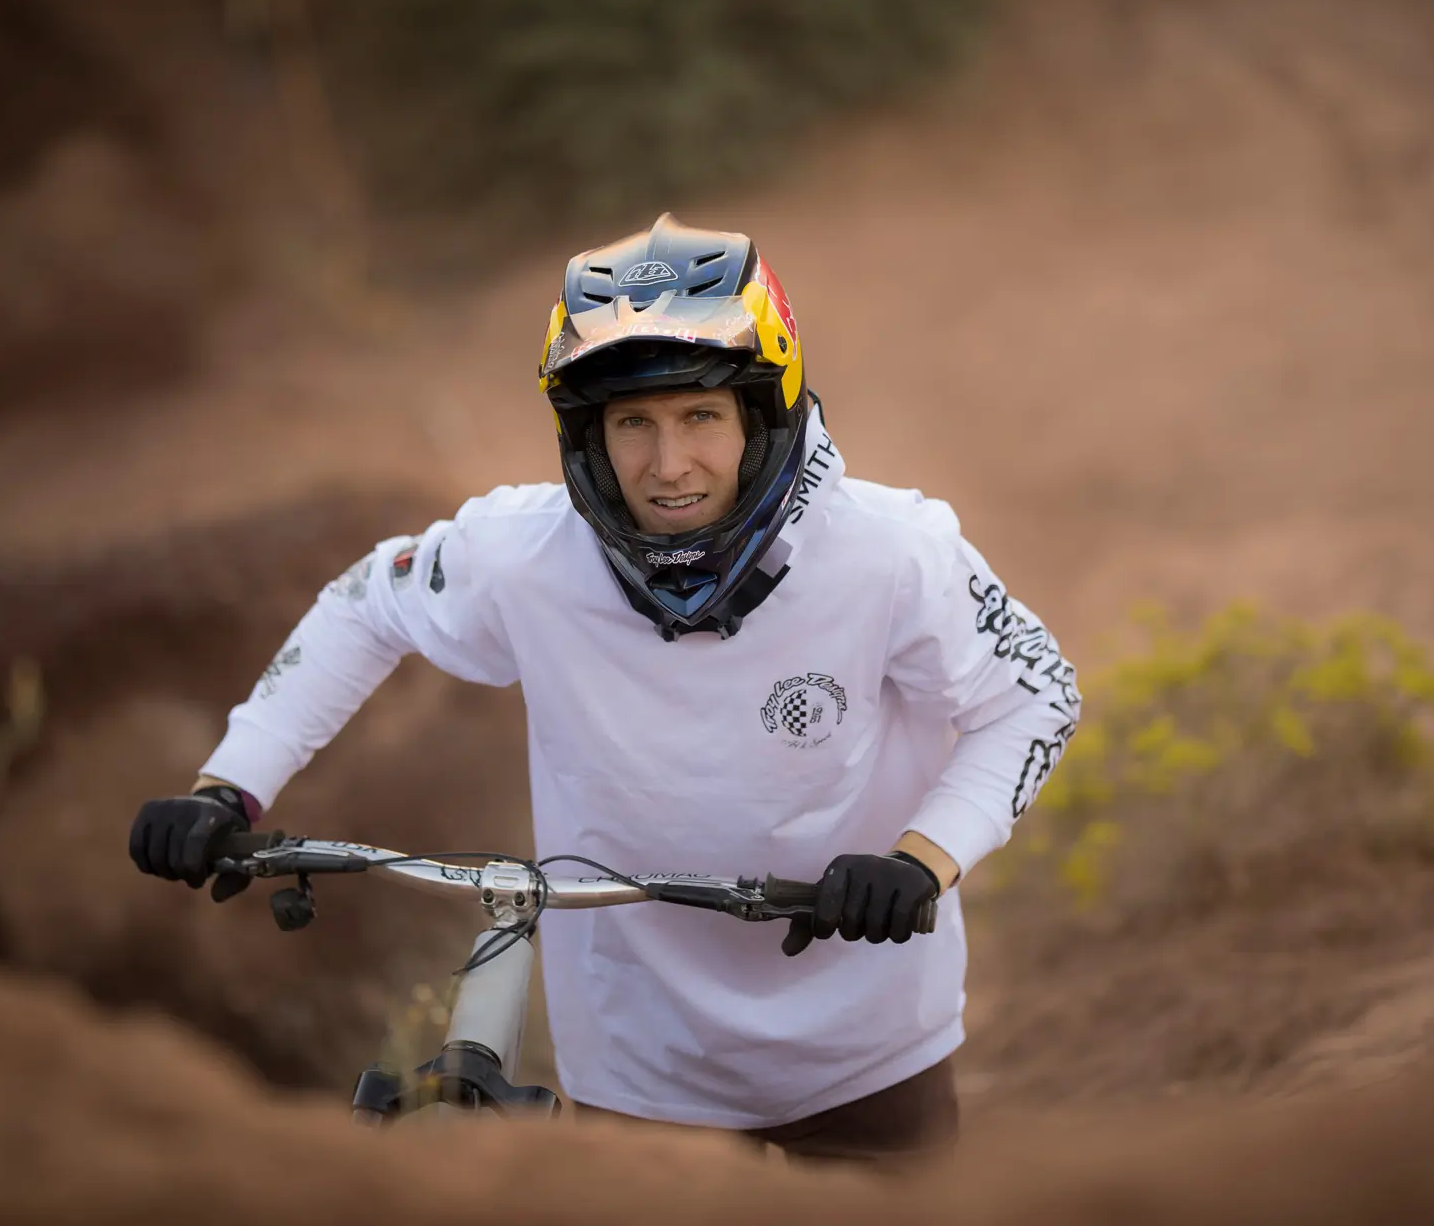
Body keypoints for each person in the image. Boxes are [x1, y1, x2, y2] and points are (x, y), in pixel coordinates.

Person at [127, 214, 1080, 1164]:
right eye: (633, 424)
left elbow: (1037, 690)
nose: (667, 467)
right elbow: (363, 603)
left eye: (700, 416)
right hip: (639, 1071)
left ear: (763, 414)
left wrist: (922, 858)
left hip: (865, 1058)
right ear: (588, 435)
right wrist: (230, 783)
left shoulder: (892, 552)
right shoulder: (527, 555)